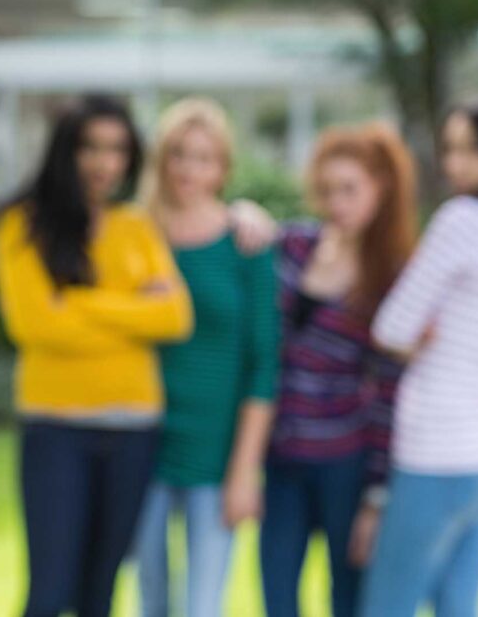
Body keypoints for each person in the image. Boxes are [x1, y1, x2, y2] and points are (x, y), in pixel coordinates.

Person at [0, 95, 194, 617]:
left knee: (99, 595)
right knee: (50, 592)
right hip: (57, 429)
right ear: (67, 151)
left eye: (118, 150)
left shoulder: (136, 226)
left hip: (135, 431)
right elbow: (35, 325)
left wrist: (79, 302)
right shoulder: (21, 223)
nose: (105, 163)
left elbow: (174, 317)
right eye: (92, 148)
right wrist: (132, 311)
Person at [361, 100, 478, 617]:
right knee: (458, 605)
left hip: (439, 448)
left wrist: (424, 336)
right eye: (449, 148)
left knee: (388, 603)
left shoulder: (463, 218)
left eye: (470, 149)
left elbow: (391, 325)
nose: (453, 163)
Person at [261, 123, 417, 617]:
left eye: (350, 189)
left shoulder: (393, 276)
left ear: (380, 189)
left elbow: (390, 396)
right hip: (282, 455)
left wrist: (375, 499)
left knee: (347, 598)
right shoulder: (294, 245)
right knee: (278, 594)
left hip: (344, 460)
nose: (337, 203)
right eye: (327, 190)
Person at [133, 98, 280, 617]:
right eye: (178, 154)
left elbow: (264, 365)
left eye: (203, 157)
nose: (188, 169)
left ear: (223, 167)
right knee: (149, 599)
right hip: (142, 441)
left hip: (218, 452)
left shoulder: (247, 241)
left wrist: (245, 470)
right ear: (160, 159)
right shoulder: (133, 235)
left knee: (203, 606)